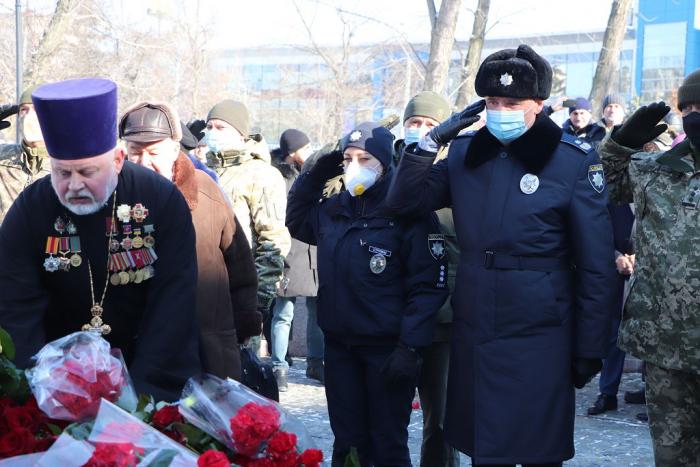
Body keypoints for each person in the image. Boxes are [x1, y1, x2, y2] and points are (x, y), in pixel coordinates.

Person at [385, 44, 616, 466]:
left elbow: (596, 264)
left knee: (539, 450)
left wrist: (590, 345)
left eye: (512, 103)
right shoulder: (465, 153)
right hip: (478, 327)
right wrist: (430, 143)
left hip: (542, 330)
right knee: (486, 449)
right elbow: (403, 202)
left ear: (538, 105)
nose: (500, 111)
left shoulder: (570, 161)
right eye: (492, 102)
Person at [0, 78, 201, 401]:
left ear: (118, 160)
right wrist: (40, 389)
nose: (74, 186)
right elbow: (16, 307)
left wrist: (142, 401)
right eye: (63, 173)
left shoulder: (160, 201)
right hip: (55, 379)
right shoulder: (31, 208)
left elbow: (173, 307)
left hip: (145, 369)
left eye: (87, 172)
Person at [287, 121, 448, 466]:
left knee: (387, 443)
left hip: (386, 351)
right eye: (348, 159)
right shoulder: (334, 209)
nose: (354, 167)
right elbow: (297, 219)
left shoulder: (406, 212)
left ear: (385, 164)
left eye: (364, 159)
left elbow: (427, 286)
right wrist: (316, 175)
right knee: (348, 442)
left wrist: (409, 347)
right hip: (340, 348)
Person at [597, 68, 700, 466]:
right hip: (665, 345)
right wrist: (620, 142)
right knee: (673, 456)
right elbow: (602, 183)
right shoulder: (655, 169)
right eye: (687, 108)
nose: (694, 115)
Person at [119, 101, 261, 381]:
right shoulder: (110, 197)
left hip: (204, 348)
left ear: (174, 150)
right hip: (134, 351)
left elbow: (240, 265)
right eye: (135, 152)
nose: (144, 162)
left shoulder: (205, 191)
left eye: (153, 153)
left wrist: (244, 325)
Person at [395, 91, 460, 467]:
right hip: (390, 315)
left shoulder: (457, 175)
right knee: (386, 419)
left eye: (431, 124)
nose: (421, 130)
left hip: (442, 320)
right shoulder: (383, 170)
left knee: (441, 422)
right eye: (414, 123)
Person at [204, 100, 291, 352]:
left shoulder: (260, 174)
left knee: (236, 367)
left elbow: (272, 240)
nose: (212, 132)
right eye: (209, 127)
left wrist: (257, 300)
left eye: (220, 127)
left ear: (240, 133)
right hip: (202, 289)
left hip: (239, 292)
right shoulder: (203, 170)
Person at [269, 128, 324, 391]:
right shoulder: (278, 178)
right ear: (291, 153)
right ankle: (279, 366)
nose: (309, 152)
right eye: (304, 148)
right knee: (284, 313)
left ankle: (316, 362)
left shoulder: (314, 173)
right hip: (290, 250)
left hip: (312, 250)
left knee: (316, 311)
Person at [587, 201, 635, 415]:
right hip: (615, 275)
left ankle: (650, 391)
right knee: (615, 332)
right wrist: (615, 256)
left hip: (653, 275)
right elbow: (597, 234)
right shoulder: (613, 201)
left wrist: (641, 257)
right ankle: (608, 393)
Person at [0, 86, 51, 223]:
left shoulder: (67, 163)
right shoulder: (3, 157)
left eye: (37, 109)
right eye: (24, 110)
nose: (29, 116)